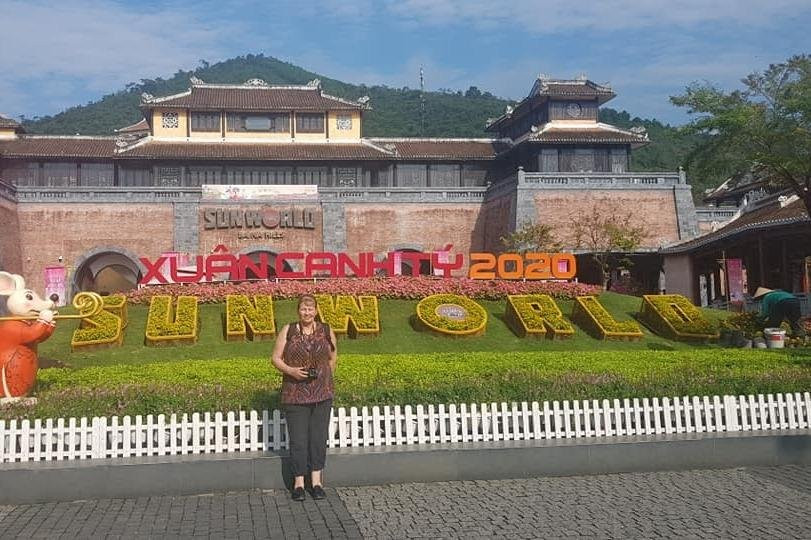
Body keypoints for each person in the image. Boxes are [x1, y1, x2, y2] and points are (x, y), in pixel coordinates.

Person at [271, 294, 337, 502]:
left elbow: (333, 357)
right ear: (298, 311)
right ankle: (299, 482)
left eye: (310, 309)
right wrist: (291, 371)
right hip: (295, 393)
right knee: (299, 439)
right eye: (303, 309)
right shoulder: (288, 331)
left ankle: (316, 482)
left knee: (318, 438)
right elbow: (275, 358)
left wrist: (324, 377)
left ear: (316, 311)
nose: (307, 313)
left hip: (321, 394)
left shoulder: (326, 330)